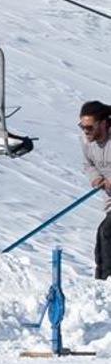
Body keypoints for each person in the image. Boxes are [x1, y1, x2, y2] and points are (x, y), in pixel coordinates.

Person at [79, 100, 111, 279]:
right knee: (103, 235)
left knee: (107, 232)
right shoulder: (87, 142)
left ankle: (106, 280)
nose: (85, 131)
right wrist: (96, 178)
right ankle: (101, 281)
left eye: (89, 127)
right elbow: (88, 164)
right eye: (82, 127)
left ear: (104, 124)